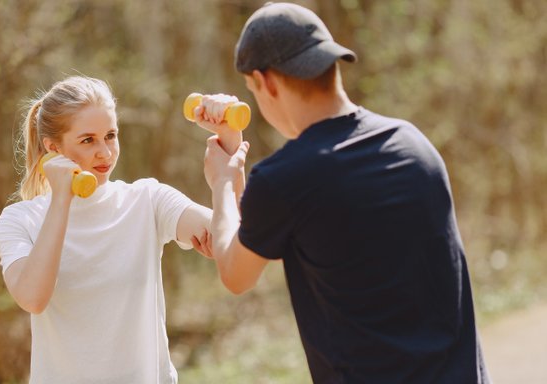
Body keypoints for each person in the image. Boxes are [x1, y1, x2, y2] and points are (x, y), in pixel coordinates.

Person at [194, 2, 490, 383]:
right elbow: (314, 235)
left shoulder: (285, 179)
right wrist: (234, 153)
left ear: (266, 82)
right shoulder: (413, 145)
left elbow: (236, 273)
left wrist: (222, 182)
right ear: (329, 64)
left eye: (253, 90)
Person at [0, 76, 241, 383]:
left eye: (110, 136)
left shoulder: (148, 200)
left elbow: (230, 241)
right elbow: (33, 297)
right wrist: (61, 199)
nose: (106, 153)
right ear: (53, 148)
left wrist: (230, 146)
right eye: (88, 140)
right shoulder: (19, 220)